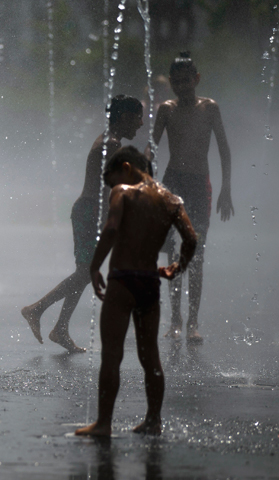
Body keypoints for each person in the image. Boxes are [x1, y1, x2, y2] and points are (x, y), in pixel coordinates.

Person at [75, 146, 197, 437]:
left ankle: (103, 424)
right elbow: (191, 238)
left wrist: (94, 266)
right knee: (150, 357)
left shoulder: (123, 193)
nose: (112, 186)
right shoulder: (171, 200)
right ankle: (153, 420)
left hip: (122, 281)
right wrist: (177, 268)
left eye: (112, 178)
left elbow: (112, 228)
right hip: (149, 283)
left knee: (112, 355)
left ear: (126, 167)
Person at [21, 95, 144, 352]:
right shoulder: (109, 145)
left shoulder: (111, 142)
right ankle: (37, 309)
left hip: (91, 210)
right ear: (123, 117)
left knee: (86, 273)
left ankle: (60, 328)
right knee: (86, 273)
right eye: (137, 117)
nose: (141, 124)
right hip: (91, 211)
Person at [151, 52, 234, 343]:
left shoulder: (209, 108)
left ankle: (193, 323)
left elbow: (223, 149)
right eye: (177, 82)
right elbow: (152, 147)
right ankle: (175, 320)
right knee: (175, 254)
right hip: (173, 185)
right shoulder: (166, 109)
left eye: (187, 81)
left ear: (196, 79)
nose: (182, 87)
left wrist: (226, 188)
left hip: (200, 185)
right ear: (171, 82)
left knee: (196, 256)